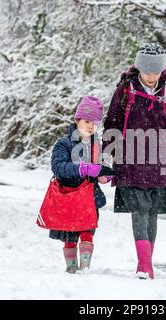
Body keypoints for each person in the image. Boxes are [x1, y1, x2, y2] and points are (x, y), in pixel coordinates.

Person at [102, 43, 166, 280]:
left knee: (152, 212)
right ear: (139, 69)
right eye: (147, 72)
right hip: (129, 159)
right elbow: (111, 124)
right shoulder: (125, 90)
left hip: (159, 160)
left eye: (156, 72)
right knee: (139, 210)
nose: (152, 77)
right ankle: (144, 265)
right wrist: (106, 158)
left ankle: (147, 263)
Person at [49, 96, 113, 273]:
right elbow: (58, 167)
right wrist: (83, 169)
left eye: (95, 123)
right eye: (86, 121)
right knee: (70, 234)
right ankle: (71, 268)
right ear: (76, 120)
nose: (91, 126)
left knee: (88, 231)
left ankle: (85, 267)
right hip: (69, 196)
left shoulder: (96, 145)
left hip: (89, 197)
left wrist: (104, 176)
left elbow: (99, 169)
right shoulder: (64, 143)